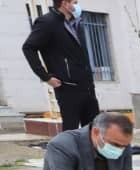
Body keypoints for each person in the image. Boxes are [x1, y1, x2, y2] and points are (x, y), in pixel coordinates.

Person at [22, 0, 100, 131]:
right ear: (65, 3)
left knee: (93, 129)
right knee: (71, 130)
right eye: (74, 2)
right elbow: (29, 47)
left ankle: (90, 152)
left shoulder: (76, 23)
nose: (77, 5)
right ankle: (67, 152)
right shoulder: (47, 23)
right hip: (67, 86)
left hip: (86, 86)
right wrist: (45, 77)